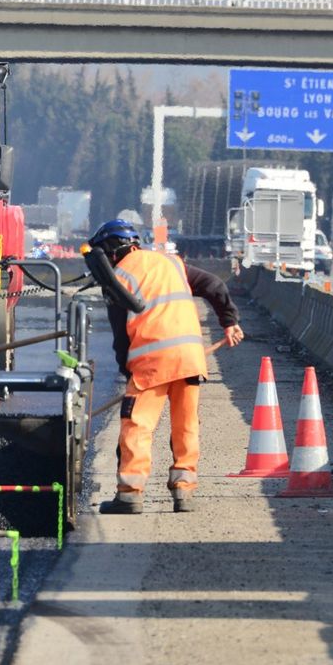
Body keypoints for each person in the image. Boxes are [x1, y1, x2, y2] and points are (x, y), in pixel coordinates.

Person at [88, 220, 243, 515]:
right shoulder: (172, 263)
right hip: (190, 358)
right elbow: (215, 285)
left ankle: (130, 495)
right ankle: (184, 494)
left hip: (151, 363)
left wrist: (125, 367)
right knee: (186, 427)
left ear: (112, 249)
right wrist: (229, 321)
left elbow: (121, 335)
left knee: (137, 426)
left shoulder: (117, 276)